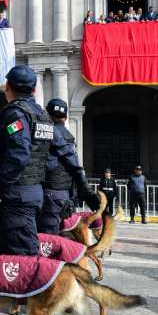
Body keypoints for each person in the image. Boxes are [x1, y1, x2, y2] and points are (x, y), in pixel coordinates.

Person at [0, 67, 100, 315]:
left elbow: (19, 155)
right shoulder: (45, 118)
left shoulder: (15, 114)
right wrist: (85, 190)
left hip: (17, 199)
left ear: (7, 86)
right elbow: (70, 157)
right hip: (29, 197)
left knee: (35, 275)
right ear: (33, 89)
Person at [40, 98, 98, 235]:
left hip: (39, 190)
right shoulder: (66, 136)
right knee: (52, 238)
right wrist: (86, 193)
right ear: (65, 118)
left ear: (47, 114)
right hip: (58, 192)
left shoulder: (37, 132)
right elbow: (75, 167)